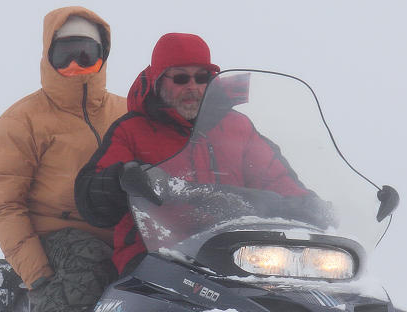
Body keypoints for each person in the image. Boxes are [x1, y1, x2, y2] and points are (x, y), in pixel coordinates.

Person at [0, 8, 128, 312]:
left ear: (104, 55)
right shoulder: (22, 121)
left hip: (123, 233)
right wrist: (38, 273)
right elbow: (2, 204)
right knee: (88, 258)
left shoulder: (126, 113)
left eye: (87, 53)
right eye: (65, 54)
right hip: (54, 236)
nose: (77, 65)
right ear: (48, 56)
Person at [76, 33, 317, 274]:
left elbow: (275, 177)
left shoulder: (237, 127)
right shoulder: (131, 130)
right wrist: (119, 179)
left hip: (236, 252)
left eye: (201, 77)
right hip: (155, 256)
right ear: (158, 81)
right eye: (181, 78)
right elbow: (92, 199)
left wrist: (310, 206)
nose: (192, 87)